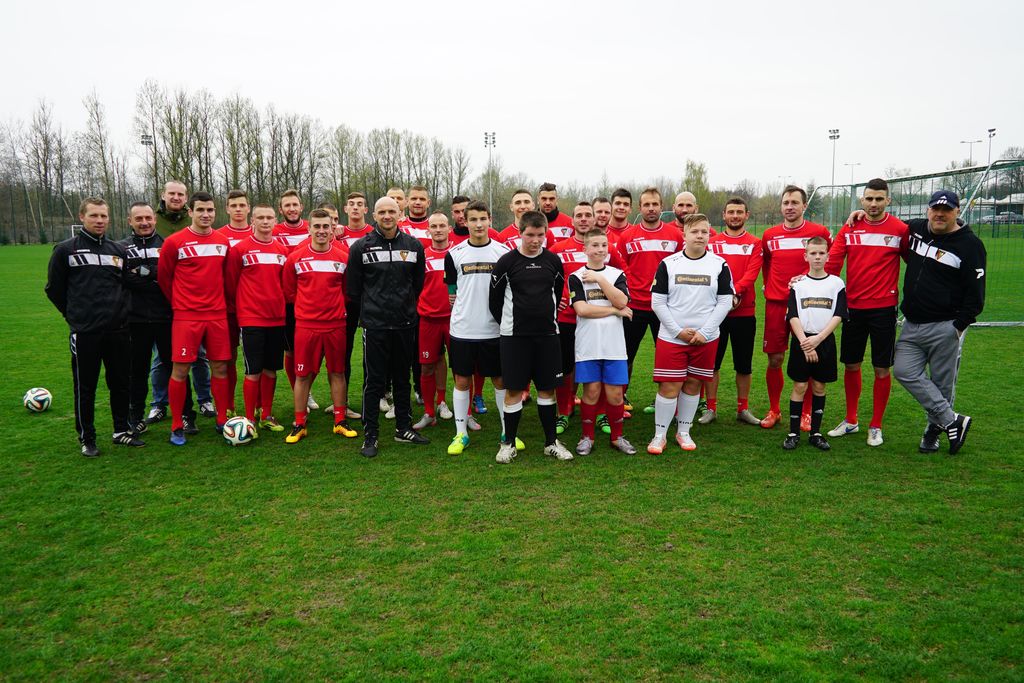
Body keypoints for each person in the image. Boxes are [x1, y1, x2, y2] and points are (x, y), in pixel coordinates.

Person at [46, 198, 141, 457]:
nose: (99, 220)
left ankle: (121, 430)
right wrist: (74, 316)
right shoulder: (65, 250)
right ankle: (87, 438)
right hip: (86, 332)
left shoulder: (117, 250)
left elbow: (126, 285)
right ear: (82, 217)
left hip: (118, 330)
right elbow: (54, 289)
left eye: (103, 216)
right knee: (85, 387)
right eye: (94, 215)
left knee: (120, 383)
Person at [893, 190, 985, 455]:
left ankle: (933, 432)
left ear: (957, 211)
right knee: (903, 371)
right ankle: (952, 420)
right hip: (911, 323)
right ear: (928, 210)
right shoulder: (916, 229)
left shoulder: (970, 245)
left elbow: (976, 293)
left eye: (947, 210)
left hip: (946, 325)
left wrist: (958, 326)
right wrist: (861, 214)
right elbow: (886, 223)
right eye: (936, 209)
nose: (940, 214)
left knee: (943, 384)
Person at [825, 179, 909, 447]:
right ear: (862, 201)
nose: (874, 204)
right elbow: (832, 263)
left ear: (888, 201)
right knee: (851, 364)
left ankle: (876, 426)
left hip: (884, 309)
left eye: (879, 199)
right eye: (869, 199)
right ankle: (851, 420)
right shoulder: (850, 226)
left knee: (881, 368)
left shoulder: (900, 230)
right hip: (853, 308)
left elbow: (915, 263)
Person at [347, 196, 429, 457]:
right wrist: (374, 310)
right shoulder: (361, 247)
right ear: (374, 215)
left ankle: (403, 428)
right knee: (374, 381)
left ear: (399, 213)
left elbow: (417, 284)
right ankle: (370, 434)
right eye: (381, 212)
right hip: (375, 325)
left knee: (403, 378)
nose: (387, 216)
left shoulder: (413, 246)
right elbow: (353, 289)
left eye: (391, 211)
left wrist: (404, 306)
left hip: (405, 323)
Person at [489, 211, 574, 463]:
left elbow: (556, 293)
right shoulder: (506, 262)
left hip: (548, 336)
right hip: (515, 338)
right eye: (530, 235)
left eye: (540, 235)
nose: (536, 240)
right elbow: (494, 302)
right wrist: (511, 324)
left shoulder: (553, 261)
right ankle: (508, 443)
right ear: (520, 233)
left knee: (547, 389)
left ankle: (551, 443)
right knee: (514, 389)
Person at [648, 214, 733, 453]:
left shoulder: (719, 264)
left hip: (706, 339)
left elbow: (725, 302)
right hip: (671, 338)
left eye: (704, 232)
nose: (700, 236)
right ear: (684, 234)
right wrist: (677, 332)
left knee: (694, 384)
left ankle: (683, 432)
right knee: (669, 386)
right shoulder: (668, 263)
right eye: (695, 231)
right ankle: (659, 435)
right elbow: (657, 302)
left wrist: (705, 332)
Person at [157, 191, 233, 445]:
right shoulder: (174, 242)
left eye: (210, 210)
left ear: (215, 212)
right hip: (186, 317)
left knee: (220, 367)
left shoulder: (223, 242)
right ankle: (177, 425)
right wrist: (181, 304)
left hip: (217, 316)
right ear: (190, 212)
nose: (205, 214)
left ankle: (221, 419)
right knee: (180, 369)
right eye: (200, 210)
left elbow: (227, 278)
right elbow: (165, 279)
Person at [444, 201, 520, 455]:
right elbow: (452, 292)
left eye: (482, 219)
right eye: (473, 219)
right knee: (462, 380)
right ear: (465, 222)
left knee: (500, 380)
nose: (478, 224)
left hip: (495, 330)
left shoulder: (503, 253)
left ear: (490, 220)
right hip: (463, 329)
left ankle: (507, 431)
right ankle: (461, 434)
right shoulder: (454, 254)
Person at [281, 209, 358, 442]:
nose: (322, 231)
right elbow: (289, 291)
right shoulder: (295, 258)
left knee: (337, 372)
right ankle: (299, 423)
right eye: (317, 226)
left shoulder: (343, 257)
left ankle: (339, 421)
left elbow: (347, 291)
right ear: (309, 228)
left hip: (336, 325)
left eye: (326, 226)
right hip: (306, 326)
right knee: (302, 375)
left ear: (333, 229)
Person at [759, 185, 831, 430]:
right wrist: (768, 285)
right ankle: (774, 410)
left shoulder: (818, 232)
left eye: (794, 203)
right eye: (786, 203)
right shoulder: (770, 235)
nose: (789, 207)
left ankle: (806, 413)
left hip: (808, 305)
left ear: (804, 206)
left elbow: (830, 259)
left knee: (809, 355)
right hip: (777, 303)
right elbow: (767, 264)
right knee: (775, 358)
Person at [147, 180, 213, 424]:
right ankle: (159, 403)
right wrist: (176, 299)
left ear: (186, 200)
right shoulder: (154, 220)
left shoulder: (196, 220)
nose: (176, 197)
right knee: (163, 358)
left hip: (199, 307)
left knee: (201, 357)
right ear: (163, 195)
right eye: (171, 193)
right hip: (169, 303)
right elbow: (165, 276)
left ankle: (204, 400)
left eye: (180, 194)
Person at [568, 229, 637, 455]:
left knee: (615, 394)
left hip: (614, 346)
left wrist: (599, 278)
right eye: (595, 245)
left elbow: (622, 300)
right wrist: (614, 312)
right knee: (592, 391)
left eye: (604, 245)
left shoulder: (616, 275)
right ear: (585, 249)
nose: (600, 250)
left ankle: (617, 437)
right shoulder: (576, 277)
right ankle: (587, 437)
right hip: (588, 345)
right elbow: (582, 309)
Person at [615, 187, 683, 411]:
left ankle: (665, 400)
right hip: (634, 306)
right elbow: (621, 267)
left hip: (665, 308)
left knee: (667, 356)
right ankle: (620, 399)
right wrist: (632, 288)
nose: (651, 208)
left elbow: (681, 267)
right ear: (640, 208)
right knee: (626, 355)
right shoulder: (627, 236)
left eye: (655, 204)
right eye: (647, 204)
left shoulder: (675, 236)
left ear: (662, 207)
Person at [224, 202, 289, 432]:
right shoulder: (240, 249)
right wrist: (242, 309)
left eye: (269, 218)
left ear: (275, 221)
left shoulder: (282, 250)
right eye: (260, 217)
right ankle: (250, 418)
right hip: (252, 319)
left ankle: (266, 415)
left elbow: (285, 284)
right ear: (253, 221)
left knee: (271, 369)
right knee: (253, 371)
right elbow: (230, 283)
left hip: (277, 318)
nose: (265, 221)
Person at [783, 236, 847, 451]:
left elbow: (839, 314)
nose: (817, 257)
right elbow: (792, 315)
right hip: (801, 340)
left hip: (824, 340)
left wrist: (818, 339)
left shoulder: (836, 284)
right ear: (806, 256)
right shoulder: (798, 285)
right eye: (813, 253)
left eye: (821, 253)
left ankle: (816, 433)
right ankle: (793, 433)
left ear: (828, 256)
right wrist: (805, 342)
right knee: (800, 386)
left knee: (819, 386)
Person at [703, 197, 763, 426]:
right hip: (714, 313)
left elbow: (752, 274)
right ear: (724, 215)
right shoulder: (712, 243)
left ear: (747, 215)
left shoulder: (755, 243)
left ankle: (742, 408)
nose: (735, 216)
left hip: (744, 312)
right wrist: (724, 297)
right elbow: (709, 273)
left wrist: (734, 293)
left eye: (739, 212)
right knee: (712, 363)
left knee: (744, 365)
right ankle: (711, 408)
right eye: (731, 212)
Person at [121, 202, 179, 436]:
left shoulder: (167, 245)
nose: (144, 223)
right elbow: (125, 278)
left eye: (148, 218)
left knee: (175, 368)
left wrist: (143, 272)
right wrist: (155, 277)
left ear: (154, 219)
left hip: (166, 318)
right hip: (134, 320)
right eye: (139, 219)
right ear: (130, 221)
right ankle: (135, 417)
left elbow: (172, 277)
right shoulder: (121, 248)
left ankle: (185, 414)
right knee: (137, 371)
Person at [412, 212, 456, 429]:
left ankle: (450, 406)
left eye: (442, 225)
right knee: (427, 366)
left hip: (455, 320)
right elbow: (414, 286)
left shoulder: (457, 254)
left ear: (449, 229)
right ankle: (429, 412)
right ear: (428, 230)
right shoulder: (422, 256)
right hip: (428, 320)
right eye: (434, 226)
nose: (438, 230)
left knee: (460, 368)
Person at [215, 188, 253, 415]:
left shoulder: (260, 232)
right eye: (234, 206)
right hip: (226, 307)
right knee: (228, 357)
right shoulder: (219, 236)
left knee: (256, 361)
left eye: (242, 205)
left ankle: (258, 408)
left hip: (254, 308)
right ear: (227, 209)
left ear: (248, 208)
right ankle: (228, 406)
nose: (238, 209)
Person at [337, 191, 372, 420]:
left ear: (366, 210)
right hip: (347, 301)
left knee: (372, 352)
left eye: (360, 204)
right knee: (344, 352)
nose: (356, 207)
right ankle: (343, 400)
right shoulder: (338, 235)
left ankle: (375, 397)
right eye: (352, 204)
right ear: (346, 209)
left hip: (370, 300)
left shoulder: (374, 233)